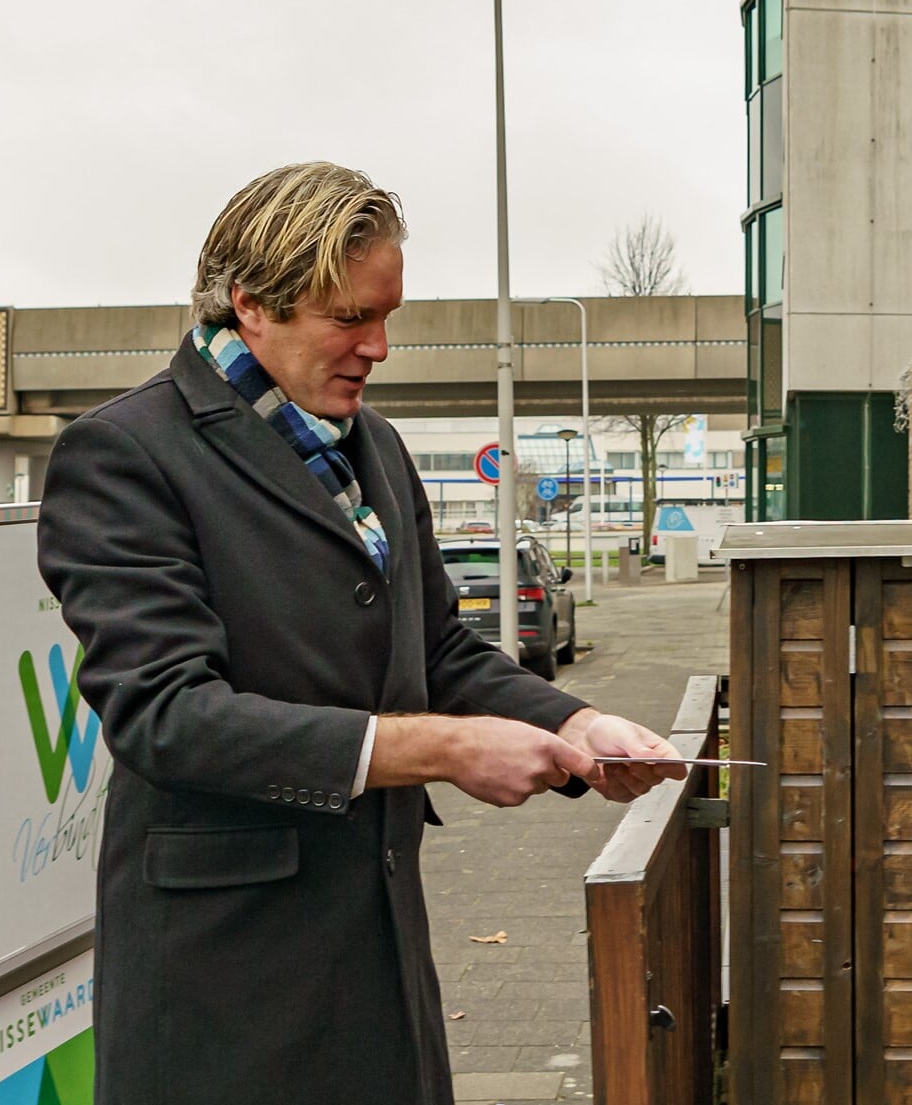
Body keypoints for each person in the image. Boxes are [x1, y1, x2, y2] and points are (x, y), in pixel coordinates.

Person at [37, 162, 685, 1105]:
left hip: (377, 953)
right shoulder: (125, 454)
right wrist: (442, 746)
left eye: (388, 315)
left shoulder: (371, 444)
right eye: (349, 318)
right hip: (225, 988)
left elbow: (441, 651)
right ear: (251, 306)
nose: (378, 346)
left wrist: (577, 726)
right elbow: (166, 715)